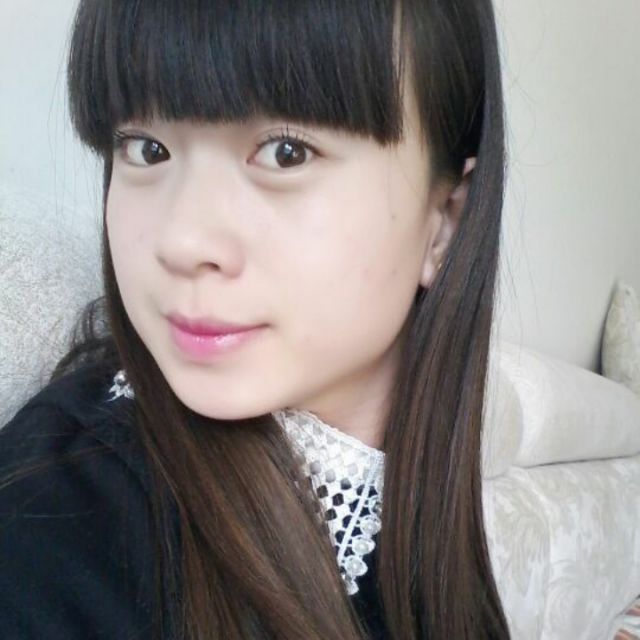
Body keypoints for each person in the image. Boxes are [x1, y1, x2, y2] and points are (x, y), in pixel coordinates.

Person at [0, 0, 511, 638]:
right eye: (147, 149)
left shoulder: (425, 510)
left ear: (445, 223)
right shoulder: (53, 518)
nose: (182, 241)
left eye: (286, 153)